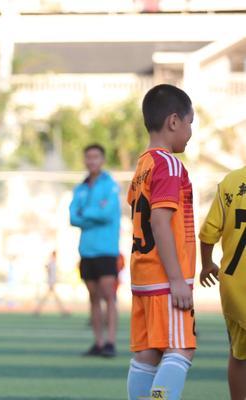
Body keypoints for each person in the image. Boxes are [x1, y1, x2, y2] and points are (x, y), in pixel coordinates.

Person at [126, 84, 196, 400]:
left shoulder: (142, 166)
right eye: (190, 123)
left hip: (143, 277)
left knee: (147, 355)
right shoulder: (168, 164)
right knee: (180, 351)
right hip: (165, 279)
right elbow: (159, 221)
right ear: (173, 122)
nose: (190, 131)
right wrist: (177, 280)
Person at [69, 143, 121, 357]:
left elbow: (107, 214)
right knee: (93, 297)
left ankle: (110, 342)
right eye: (88, 157)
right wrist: (91, 213)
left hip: (107, 249)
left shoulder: (110, 185)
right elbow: (73, 217)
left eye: (96, 157)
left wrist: (85, 214)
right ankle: (98, 342)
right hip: (87, 251)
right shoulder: (80, 188)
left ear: (102, 159)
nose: (92, 161)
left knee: (109, 295)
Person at [199, 167, 246, 400]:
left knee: (238, 355)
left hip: (235, 285)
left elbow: (208, 233)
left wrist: (207, 264)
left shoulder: (232, 182)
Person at [34, 250, 70, 316]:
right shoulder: (51, 262)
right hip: (51, 282)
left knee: (49, 298)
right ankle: (63, 311)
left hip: (52, 282)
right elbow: (47, 268)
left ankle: (37, 310)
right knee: (52, 298)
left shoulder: (53, 262)